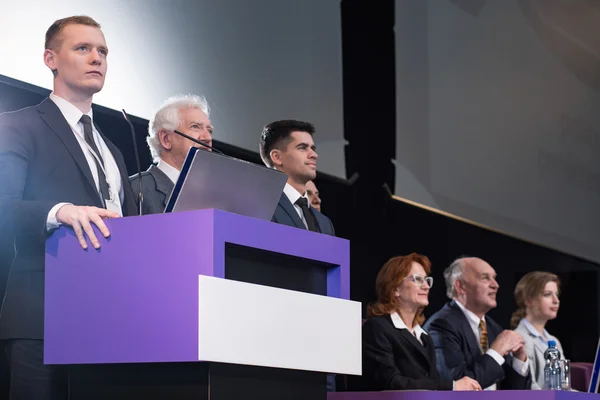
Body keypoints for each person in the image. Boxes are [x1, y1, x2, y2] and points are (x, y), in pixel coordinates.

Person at [0, 15, 137, 399]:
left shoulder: (113, 150)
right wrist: (60, 211)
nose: (97, 58)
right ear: (51, 59)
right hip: (41, 317)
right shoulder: (17, 125)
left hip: (108, 320)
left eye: (103, 51)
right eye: (83, 48)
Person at [359, 253, 481, 391]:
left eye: (427, 280)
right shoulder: (377, 328)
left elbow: (432, 386)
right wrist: (452, 386)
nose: (426, 286)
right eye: (417, 279)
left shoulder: (424, 337)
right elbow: (391, 382)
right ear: (395, 289)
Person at [423, 257, 531, 390]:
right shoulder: (440, 326)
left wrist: (519, 361)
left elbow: (510, 391)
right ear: (461, 286)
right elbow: (457, 385)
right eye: (485, 277)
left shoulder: (494, 328)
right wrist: (496, 352)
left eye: (494, 278)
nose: (495, 285)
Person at [129, 94, 213, 214]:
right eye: (195, 127)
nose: (207, 137)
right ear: (166, 139)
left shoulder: (213, 196)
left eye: (209, 130)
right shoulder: (136, 189)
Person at [259, 120, 334, 236]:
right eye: (302, 147)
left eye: (313, 148)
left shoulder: (325, 223)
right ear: (277, 157)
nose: (314, 155)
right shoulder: (260, 207)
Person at [511, 271, 563, 389]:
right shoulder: (518, 338)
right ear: (528, 300)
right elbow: (529, 387)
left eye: (557, 294)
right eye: (547, 294)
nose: (556, 300)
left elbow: (563, 387)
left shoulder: (554, 341)